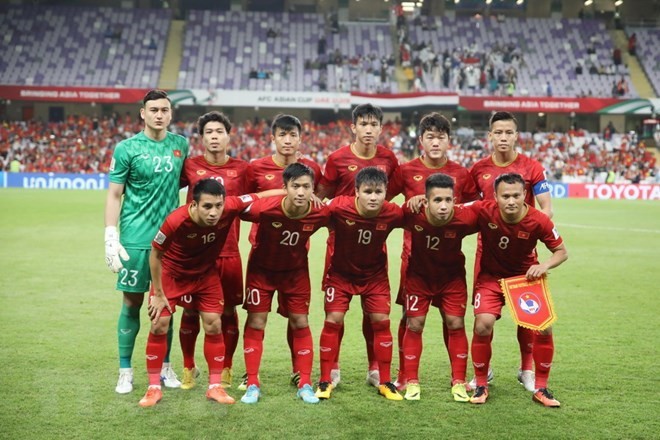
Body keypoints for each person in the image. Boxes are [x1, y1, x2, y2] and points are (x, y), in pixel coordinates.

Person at [138, 179, 252, 406]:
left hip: (204, 274)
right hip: (172, 273)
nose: (214, 212)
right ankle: (153, 388)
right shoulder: (176, 221)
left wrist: (297, 192)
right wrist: (158, 293)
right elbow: (155, 254)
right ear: (194, 204)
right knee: (159, 324)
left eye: (218, 206)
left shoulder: (229, 207)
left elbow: (262, 195)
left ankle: (215, 387)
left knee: (214, 323)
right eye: (207, 206)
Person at [386, 112, 479, 391]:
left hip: (450, 259)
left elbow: (476, 208)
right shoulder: (404, 171)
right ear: (421, 141)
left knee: (452, 319)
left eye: (441, 137)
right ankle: (404, 375)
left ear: (449, 141)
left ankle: (458, 378)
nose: (435, 142)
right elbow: (385, 203)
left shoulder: (462, 174)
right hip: (413, 257)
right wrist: (409, 204)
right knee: (410, 318)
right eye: (430, 137)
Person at [104, 89, 188, 394]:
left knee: (166, 305)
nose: (159, 114)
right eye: (153, 109)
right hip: (136, 239)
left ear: (170, 113)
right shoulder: (126, 148)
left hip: (171, 242)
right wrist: (110, 235)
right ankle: (125, 370)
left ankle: (165, 366)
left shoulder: (181, 145)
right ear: (143, 113)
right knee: (131, 302)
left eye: (164, 110)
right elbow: (115, 194)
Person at [316, 104, 399, 389]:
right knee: (335, 315)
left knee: (374, 314)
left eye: (373, 124)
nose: (367, 129)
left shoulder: (389, 158)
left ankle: (375, 367)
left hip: (374, 246)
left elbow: (392, 194)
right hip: (340, 244)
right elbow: (321, 196)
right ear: (353, 127)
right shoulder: (337, 158)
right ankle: (333, 367)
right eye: (362, 123)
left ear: (380, 128)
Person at [237, 114, 322, 391]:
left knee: (297, 317)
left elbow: (320, 204)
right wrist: (277, 193)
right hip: (262, 253)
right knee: (257, 317)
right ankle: (250, 376)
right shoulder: (256, 168)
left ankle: (300, 372)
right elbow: (245, 204)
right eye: (282, 135)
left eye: (293, 135)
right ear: (272, 138)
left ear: (300, 138)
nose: (288, 140)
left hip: (297, 255)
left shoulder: (312, 169)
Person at [469, 111, 552, 392]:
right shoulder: (478, 169)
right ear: (490, 136)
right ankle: (484, 371)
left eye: (509, 132)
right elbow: (468, 209)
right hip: (488, 257)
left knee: (530, 319)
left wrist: (537, 233)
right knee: (483, 320)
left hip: (522, 257)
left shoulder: (532, 167)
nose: (503, 137)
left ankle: (526, 370)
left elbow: (546, 208)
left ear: (516, 136)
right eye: (498, 133)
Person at [469, 173, 568, 407]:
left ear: (525, 195)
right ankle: (482, 383)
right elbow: (452, 210)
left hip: (525, 278)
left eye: (516, 195)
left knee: (543, 327)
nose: (511, 201)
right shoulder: (483, 210)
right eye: (505, 196)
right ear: (495, 196)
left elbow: (562, 251)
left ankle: (541, 388)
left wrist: (542, 266)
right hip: (490, 278)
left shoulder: (539, 220)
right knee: (483, 323)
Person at [178, 111, 249, 390]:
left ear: (228, 135)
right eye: (209, 132)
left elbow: (261, 194)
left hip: (228, 252)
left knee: (229, 312)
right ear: (202, 137)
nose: (214, 136)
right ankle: (188, 367)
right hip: (193, 255)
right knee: (190, 312)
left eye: (219, 131)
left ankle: (227, 367)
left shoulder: (243, 169)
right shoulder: (190, 166)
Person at [400, 173, 479, 402]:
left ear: (455, 200)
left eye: (448, 200)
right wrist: (408, 202)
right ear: (425, 200)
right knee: (414, 323)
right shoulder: (412, 214)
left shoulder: (465, 218)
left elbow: (492, 210)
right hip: (419, 277)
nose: (443, 206)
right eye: (437, 200)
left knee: (455, 323)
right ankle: (412, 381)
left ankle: (459, 382)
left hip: (451, 279)